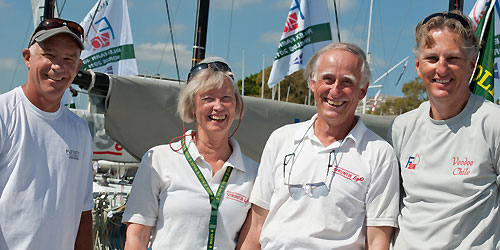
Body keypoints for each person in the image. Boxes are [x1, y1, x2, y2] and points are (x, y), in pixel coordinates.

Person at [237, 42, 399, 250]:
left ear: (362, 90)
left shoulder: (379, 154)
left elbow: (378, 240)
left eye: (347, 82)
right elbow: (256, 225)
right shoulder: (281, 139)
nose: (335, 90)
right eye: (328, 79)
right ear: (313, 83)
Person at [388, 10, 500, 249]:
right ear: (418, 66)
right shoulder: (402, 127)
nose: (441, 68)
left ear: (471, 65)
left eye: (452, 58)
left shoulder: (493, 123)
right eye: (432, 58)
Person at [122, 58, 258, 249]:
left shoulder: (254, 173)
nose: (218, 106)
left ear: (236, 106)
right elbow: (137, 236)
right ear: (192, 106)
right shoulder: (160, 160)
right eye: (208, 98)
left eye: (226, 98)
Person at [0, 18, 93, 250]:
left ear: (78, 67)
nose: (58, 67)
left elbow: (83, 211)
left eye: (69, 59)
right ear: (27, 58)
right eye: (49, 55)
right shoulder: (4, 114)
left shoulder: (80, 131)